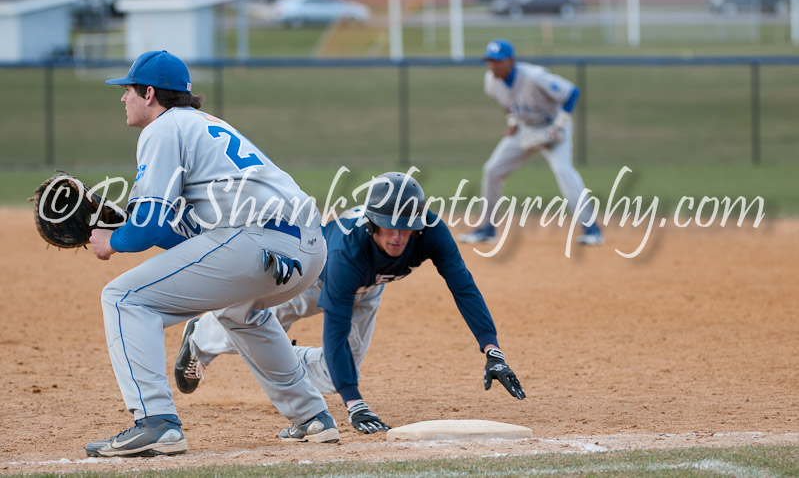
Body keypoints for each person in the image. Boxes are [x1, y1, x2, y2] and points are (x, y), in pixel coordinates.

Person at [86, 50, 338, 457]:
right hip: (308, 249)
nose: (123, 98)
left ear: (150, 94)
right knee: (239, 310)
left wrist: (112, 242)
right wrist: (127, 228)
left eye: (128, 90)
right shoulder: (206, 125)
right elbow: (193, 243)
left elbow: (148, 227)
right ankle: (312, 417)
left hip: (256, 242)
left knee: (124, 298)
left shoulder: (163, 128)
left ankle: (155, 422)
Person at [174, 172, 525, 434]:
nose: (399, 236)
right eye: (390, 227)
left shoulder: (429, 230)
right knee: (256, 321)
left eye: (407, 227)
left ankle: (265, 349)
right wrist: (354, 402)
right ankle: (203, 335)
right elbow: (336, 329)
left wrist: (492, 348)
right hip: (310, 275)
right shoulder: (346, 253)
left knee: (334, 374)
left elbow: (462, 285)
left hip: (368, 288)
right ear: (372, 224)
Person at [458, 39, 603, 245]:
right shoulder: (491, 81)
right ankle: (487, 229)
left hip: (552, 127)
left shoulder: (534, 77)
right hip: (525, 130)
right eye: (489, 61)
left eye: (497, 61)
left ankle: (592, 229)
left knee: (564, 171)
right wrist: (512, 121)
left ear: (511, 61)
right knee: (492, 170)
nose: (493, 65)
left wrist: (560, 125)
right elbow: (506, 104)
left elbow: (571, 93)